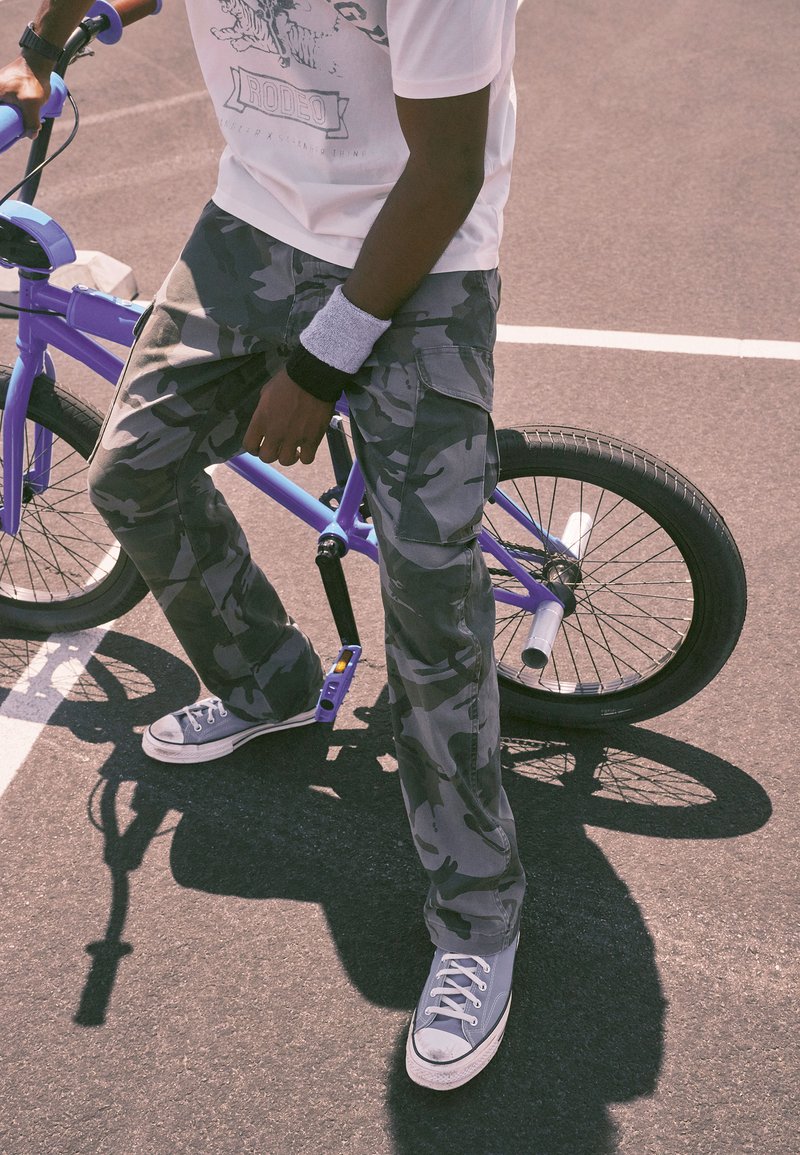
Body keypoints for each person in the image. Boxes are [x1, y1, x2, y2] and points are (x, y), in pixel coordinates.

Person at [1, 0, 525, 1090]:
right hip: (253, 225)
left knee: (429, 593)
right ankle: (271, 683)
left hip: (422, 247)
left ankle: (477, 919)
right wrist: (43, 49)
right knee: (133, 470)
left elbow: (447, 168)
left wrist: (320, 364)